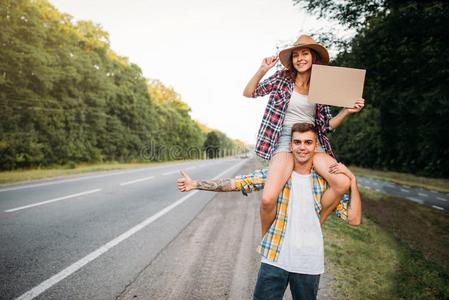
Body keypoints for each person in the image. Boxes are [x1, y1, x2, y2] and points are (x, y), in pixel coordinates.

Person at [177, 122, 362, 300]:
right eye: (297, 142)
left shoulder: (324, 183)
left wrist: (352, 180)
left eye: (308, 142)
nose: (302, 147)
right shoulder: (276, 176)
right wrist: (195, 184)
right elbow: (236, 183)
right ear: (290, 146)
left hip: (309, 262)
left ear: (316, 146)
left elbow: (353, 219)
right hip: (275, 258)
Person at [242, 34, 365, 236]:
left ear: (313, 57)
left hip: (312, 141)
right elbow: (249, 92)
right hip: (284, 139)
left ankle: (312, 228)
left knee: (342, 182)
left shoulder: (322, 85)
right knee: (267, 199)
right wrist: (263, 69)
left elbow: (326, 126)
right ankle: (267, 240)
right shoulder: (282, 78)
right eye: (296, 55)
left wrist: (346, 111)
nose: (300, 58)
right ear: (292, 60)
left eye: (305, 53)